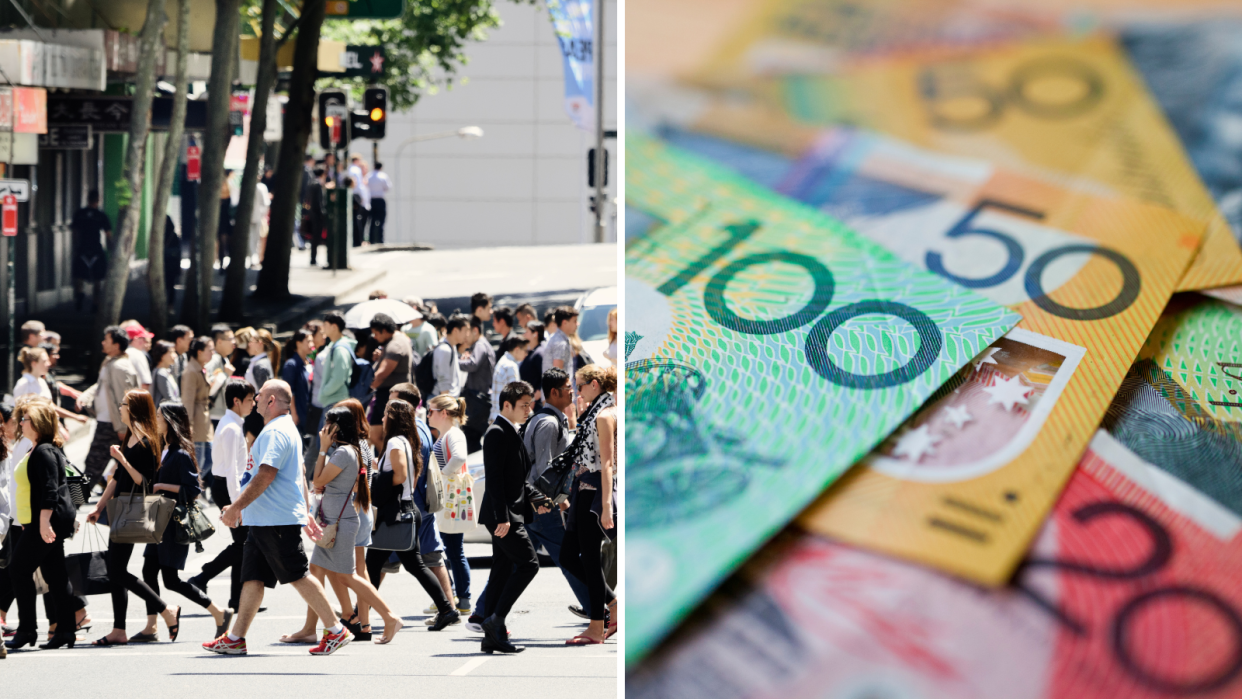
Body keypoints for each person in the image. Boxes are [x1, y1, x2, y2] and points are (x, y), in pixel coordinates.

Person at [204, 380, 349, 656]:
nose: (255, 400)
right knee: (253, 577)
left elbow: (266, 474)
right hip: (265, 520)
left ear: (271, 401)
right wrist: (305, 511)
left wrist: (236, 507)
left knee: (297, 575)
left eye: (258, 396)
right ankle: (236, 638)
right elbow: (298, 474)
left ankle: (336, 629)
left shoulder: (275, 432)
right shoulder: (283, 429)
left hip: (275, 520)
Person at [295, 405, 405, 644]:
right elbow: (320, 483)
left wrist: (322, 450)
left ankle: (389, 616)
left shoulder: (344, 452)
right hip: (331, 521)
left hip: (341, 523)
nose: (323, 428)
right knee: (315, 571)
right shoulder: (344, 450)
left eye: (327, 424)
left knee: (348, 576)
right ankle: (327, 624)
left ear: (336, 427)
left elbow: (318, 480)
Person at [85, 390, 181, 645]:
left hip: (134, 508)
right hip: (120, 507)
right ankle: (120, 630)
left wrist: (123, 459)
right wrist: (99, 507)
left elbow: (145, 481)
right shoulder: (130, 436)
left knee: (116, 569)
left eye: (123, 404)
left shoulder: (149, 441)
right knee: (116, 570)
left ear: (134, 408)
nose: (119, 407)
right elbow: (116, 478)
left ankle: (164, 610)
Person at [363, 399, 459, 630]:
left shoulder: (396, 442)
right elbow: (411, 479)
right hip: (404, 511)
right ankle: (446, 609)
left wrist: (374, 479)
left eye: (386, 414)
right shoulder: (406, 441)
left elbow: (400, 476)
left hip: (394, 514)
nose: (382, 419)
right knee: (403, 565)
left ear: (393, 418)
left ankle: (360, 614)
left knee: (376, 564)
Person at [144, 402, 233, 638]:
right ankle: (152, 624)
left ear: (171, 420)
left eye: (160, 416)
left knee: (170, 580)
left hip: (173, 524)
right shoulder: (164, 448)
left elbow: (194, 490)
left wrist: (161, 485)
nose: (156, 419)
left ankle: (218, 612)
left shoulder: (181, 453)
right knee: (147, 570)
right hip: (158, 520)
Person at [477, 381, 549, 654]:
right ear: (506, 405)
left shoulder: (510, 430)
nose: (529, 409)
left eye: (530, 404)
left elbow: (516, 480)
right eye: (523, 405)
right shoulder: (496, 432)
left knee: (502, 569)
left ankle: (490, 631)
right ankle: (496, 622)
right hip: (503, 515)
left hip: (509, 512)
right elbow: (494, 481)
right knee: (529, 564)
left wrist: (539, 498)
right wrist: (502, 518)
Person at [4, 400, 80, 650]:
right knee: (56, 575)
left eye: (24, 419)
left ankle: (27, 630)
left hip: (45, 522)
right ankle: (66, 630)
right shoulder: (38, 448)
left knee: (18, 569)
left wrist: (43, 522)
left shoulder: (44, 451)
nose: (20, 423)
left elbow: (50, 490)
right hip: (38, 522)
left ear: (36, 424)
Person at [521, 368, 590, 616]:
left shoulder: (552, 419)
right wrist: (558, 502)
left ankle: (484, 613)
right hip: (542, 505)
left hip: (535, 503)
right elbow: (545, 470)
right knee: (568, 557)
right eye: (568, 387)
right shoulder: (548, 423)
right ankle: (596, 609)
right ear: (554, 392)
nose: (572, 391)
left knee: (513, 562)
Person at [559, 365, 618, 644]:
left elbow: (607, 463)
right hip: (583, 489)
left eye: (579, 386)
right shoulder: (596, 412)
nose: (576, 391)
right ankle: (613, 605)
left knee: (590, 559)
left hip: (594, 490)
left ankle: (597, 627)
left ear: (595, 385)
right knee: (569, 556)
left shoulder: (605, 415)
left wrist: (606, 505)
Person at [189, 379, 255, 612]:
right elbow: (232, 472)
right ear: (236, 401)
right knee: (244, 543)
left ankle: (237, 599)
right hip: (227, 489)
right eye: (249, 400)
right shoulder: (230, 428)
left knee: (243, 543)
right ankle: (202, 577)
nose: (253, 404)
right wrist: (238, 505)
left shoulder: (234, 424)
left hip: (228, 488)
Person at [427, 395, 474, 615]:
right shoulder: (449, 434)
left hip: (450, 500)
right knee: (451, 550)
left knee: (453, 550)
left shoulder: (453, 434)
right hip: (449, 500)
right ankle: (452, 597)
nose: (428, 415)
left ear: (443, 413)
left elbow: (459, 457)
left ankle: (460, 599)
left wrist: (443, 476)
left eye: (431, 411)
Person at [78, 326, 140, 492]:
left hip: (113, 426)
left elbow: (125, 400)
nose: (103, 342)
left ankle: (72, 505)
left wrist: (122, 427)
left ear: (116, 345)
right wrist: (84, 397)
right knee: (123, 465)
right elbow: (100, 386)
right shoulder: (109, 363)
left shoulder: (120, 367)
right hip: (109, 424)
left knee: (93, 465)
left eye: (107, 340)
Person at [368, 313, 413, 447]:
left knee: (392, 435)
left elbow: (382, 374)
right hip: (385, 395)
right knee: (374, 435)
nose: (375, 338)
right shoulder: (394, 340)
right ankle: (386, 462)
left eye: (376, 334)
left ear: (385, 331)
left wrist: (367, 389)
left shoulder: (395, 346)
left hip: (392, 396)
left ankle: (392, 464)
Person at [14, 347, 86, 427]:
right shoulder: (23, 383)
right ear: (34, 364)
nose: (48, 364)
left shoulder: (42, 381)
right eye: (44, 361)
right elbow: (18, 414)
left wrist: (58, 425)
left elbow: (51, 407)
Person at [458, 316, 496, 452]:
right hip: (479, 398)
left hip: (477, 400)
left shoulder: (480, 344)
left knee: (471, 438)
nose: (465, 336)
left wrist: (454, 362)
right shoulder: (482, 344)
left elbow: (473, 364)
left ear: (475, 330)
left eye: (468, 331)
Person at [71, 189, 111, 312]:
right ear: (98, 200)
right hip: (96, 249)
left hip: (82, 248)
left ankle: (79, 295)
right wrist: (111, 249)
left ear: (88, 199)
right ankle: (95, 302)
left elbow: (75, 232)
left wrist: (76, 247)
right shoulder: (101, 215)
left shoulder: (80, 214)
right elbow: (108, 234)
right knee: (98, 278)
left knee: (79, 275)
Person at [181, 337, 216, 472]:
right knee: (199, 462)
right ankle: (193, 490)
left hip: (203, 420)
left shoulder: (200, 368)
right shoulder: (191, 371)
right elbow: (187, 400)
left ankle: (195, 488)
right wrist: (188, 424)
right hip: (196, 421)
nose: (212, 353)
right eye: (210, 350)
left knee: (209, 459)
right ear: (200, 352)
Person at [318, 312, 357, 416]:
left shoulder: (340, 348)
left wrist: (324, 392)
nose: (323, 328)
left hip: (335, 400)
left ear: (334, 326)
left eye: (325, 325)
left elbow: (339, 378)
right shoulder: (335, 345)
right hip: (334, 399)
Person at [282, 329, 313, 434]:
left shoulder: (309, 362)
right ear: (298, 343)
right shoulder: (291, 364)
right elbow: (290, 391)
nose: (311, 344)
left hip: (308, 410)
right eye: (308, 341)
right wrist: (294, 413)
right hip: (298, 411)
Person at [491, 335, 527, 423]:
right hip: (505, 419)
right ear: (517, 349)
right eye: (525, 351)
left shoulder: (503, 360)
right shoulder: (511, 366)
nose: (526, 354)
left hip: (496, 415)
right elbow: (516, 395)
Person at [545, 306, 580, 396]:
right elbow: (557, 374)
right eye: (574, 321)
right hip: (561, 396)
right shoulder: (560, 343)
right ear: (564, 323)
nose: (577, 324)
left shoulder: (559, 339)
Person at [433, 314, 468, 397]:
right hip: (445, 402)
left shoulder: (452, 346)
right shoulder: (445, 350)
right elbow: (443, 380)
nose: (467, 335)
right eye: (465, 331)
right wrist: (447, 405)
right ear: (455, 330)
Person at [206, 325, 236, 423]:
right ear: (219, 342)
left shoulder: (225, 359)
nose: (234, 342)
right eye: (230, 339)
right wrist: (225, 375)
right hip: (214, 414)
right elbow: (207, 385)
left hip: (222, 413)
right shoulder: (213, 359)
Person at [244, 329, 280, 393]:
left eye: (251, 341)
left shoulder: (260, 365)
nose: (249, 344)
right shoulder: (260, 362)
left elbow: (264, 395)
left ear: (260, 343)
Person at [149, 340, 181, 408]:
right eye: (171, 352)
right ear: (162, 355)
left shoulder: (167, 371)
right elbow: (169, 398)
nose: (175, 355)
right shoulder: (161, 373)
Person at [519, 321, 547, 400]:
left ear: (535, 334)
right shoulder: (531, 351)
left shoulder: (539, 353)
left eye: (527, 332)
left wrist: (534, 398)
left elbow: (544, 377)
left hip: (535, 403)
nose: (524, 334)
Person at [124, 323, 155, 392]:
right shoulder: (138, 354)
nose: (145, 342)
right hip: (136, 398)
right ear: (136, 339)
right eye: (144, 338)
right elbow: (145, 383)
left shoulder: (122, 353)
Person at [366, 162, 390, 244]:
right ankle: (380, 239)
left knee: (372, 221)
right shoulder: (383, 176)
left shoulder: (369, 176)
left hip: (372, 200)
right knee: (381, 221)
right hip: (380, 199)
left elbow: (366, 186)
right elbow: (387, 187)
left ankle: (371, 239)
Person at [163, 214, 182, 304]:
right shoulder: (174, 236)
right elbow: (179, 253)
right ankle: (170, 305)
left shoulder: (162, 236)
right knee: (171, 286)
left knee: (166, 285)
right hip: (172, 264)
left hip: (165, 264)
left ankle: (166, 304)